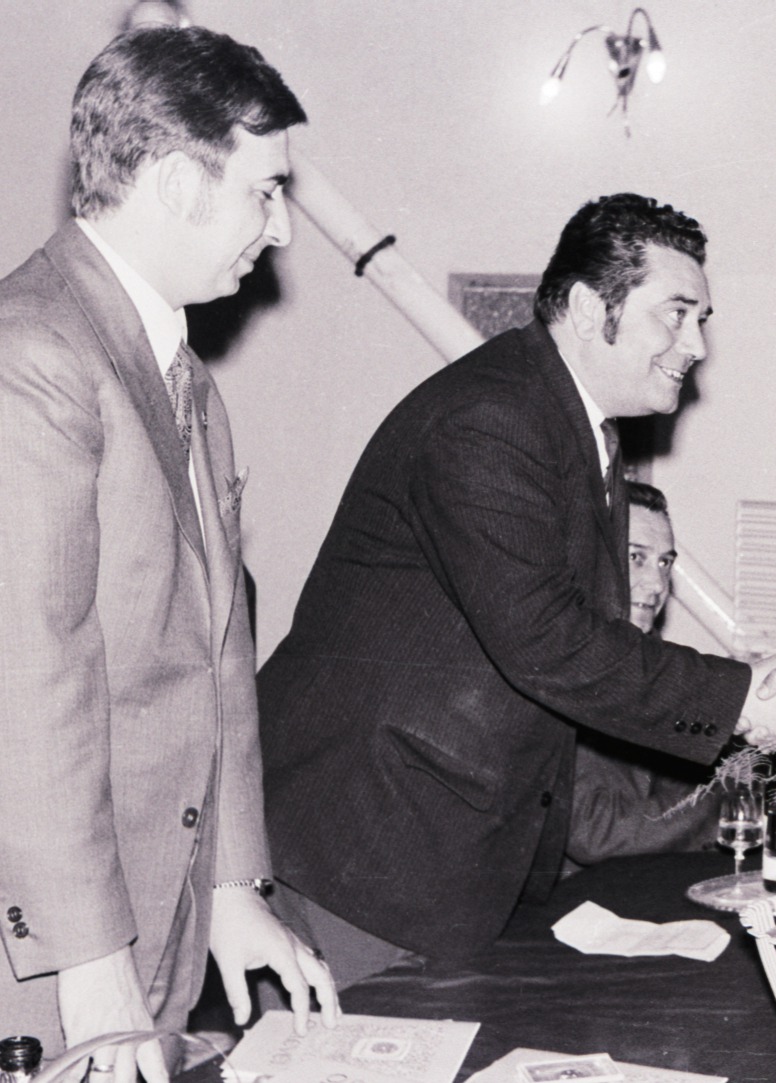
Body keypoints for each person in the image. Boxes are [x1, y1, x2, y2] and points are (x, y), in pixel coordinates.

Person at [257, 193, 776, 987]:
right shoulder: (490, 417)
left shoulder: (572, 425)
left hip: (435, 853)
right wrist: (746, 703)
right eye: (676, 313)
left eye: (701, 319)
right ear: (594, 307)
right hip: (358, 849)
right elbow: (549, 640)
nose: (695, 344)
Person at [0, 26, 337, 1083]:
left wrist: (237, 887)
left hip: (159, 907)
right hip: (58, 940)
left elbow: (214, 654)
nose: (282, 231)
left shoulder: (179, 367)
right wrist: (90, 954)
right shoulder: (33, 354)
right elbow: (29, 676)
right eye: (265, 192)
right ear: (180, 180)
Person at [562, 481, 722, 873]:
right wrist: (740, 791)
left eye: (664, 562)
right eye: (636, 557)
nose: (657, 585)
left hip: (639, 880)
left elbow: (674, 781)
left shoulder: (648, 658)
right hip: (571, 905)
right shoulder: (562, 667)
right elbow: (598, 832)